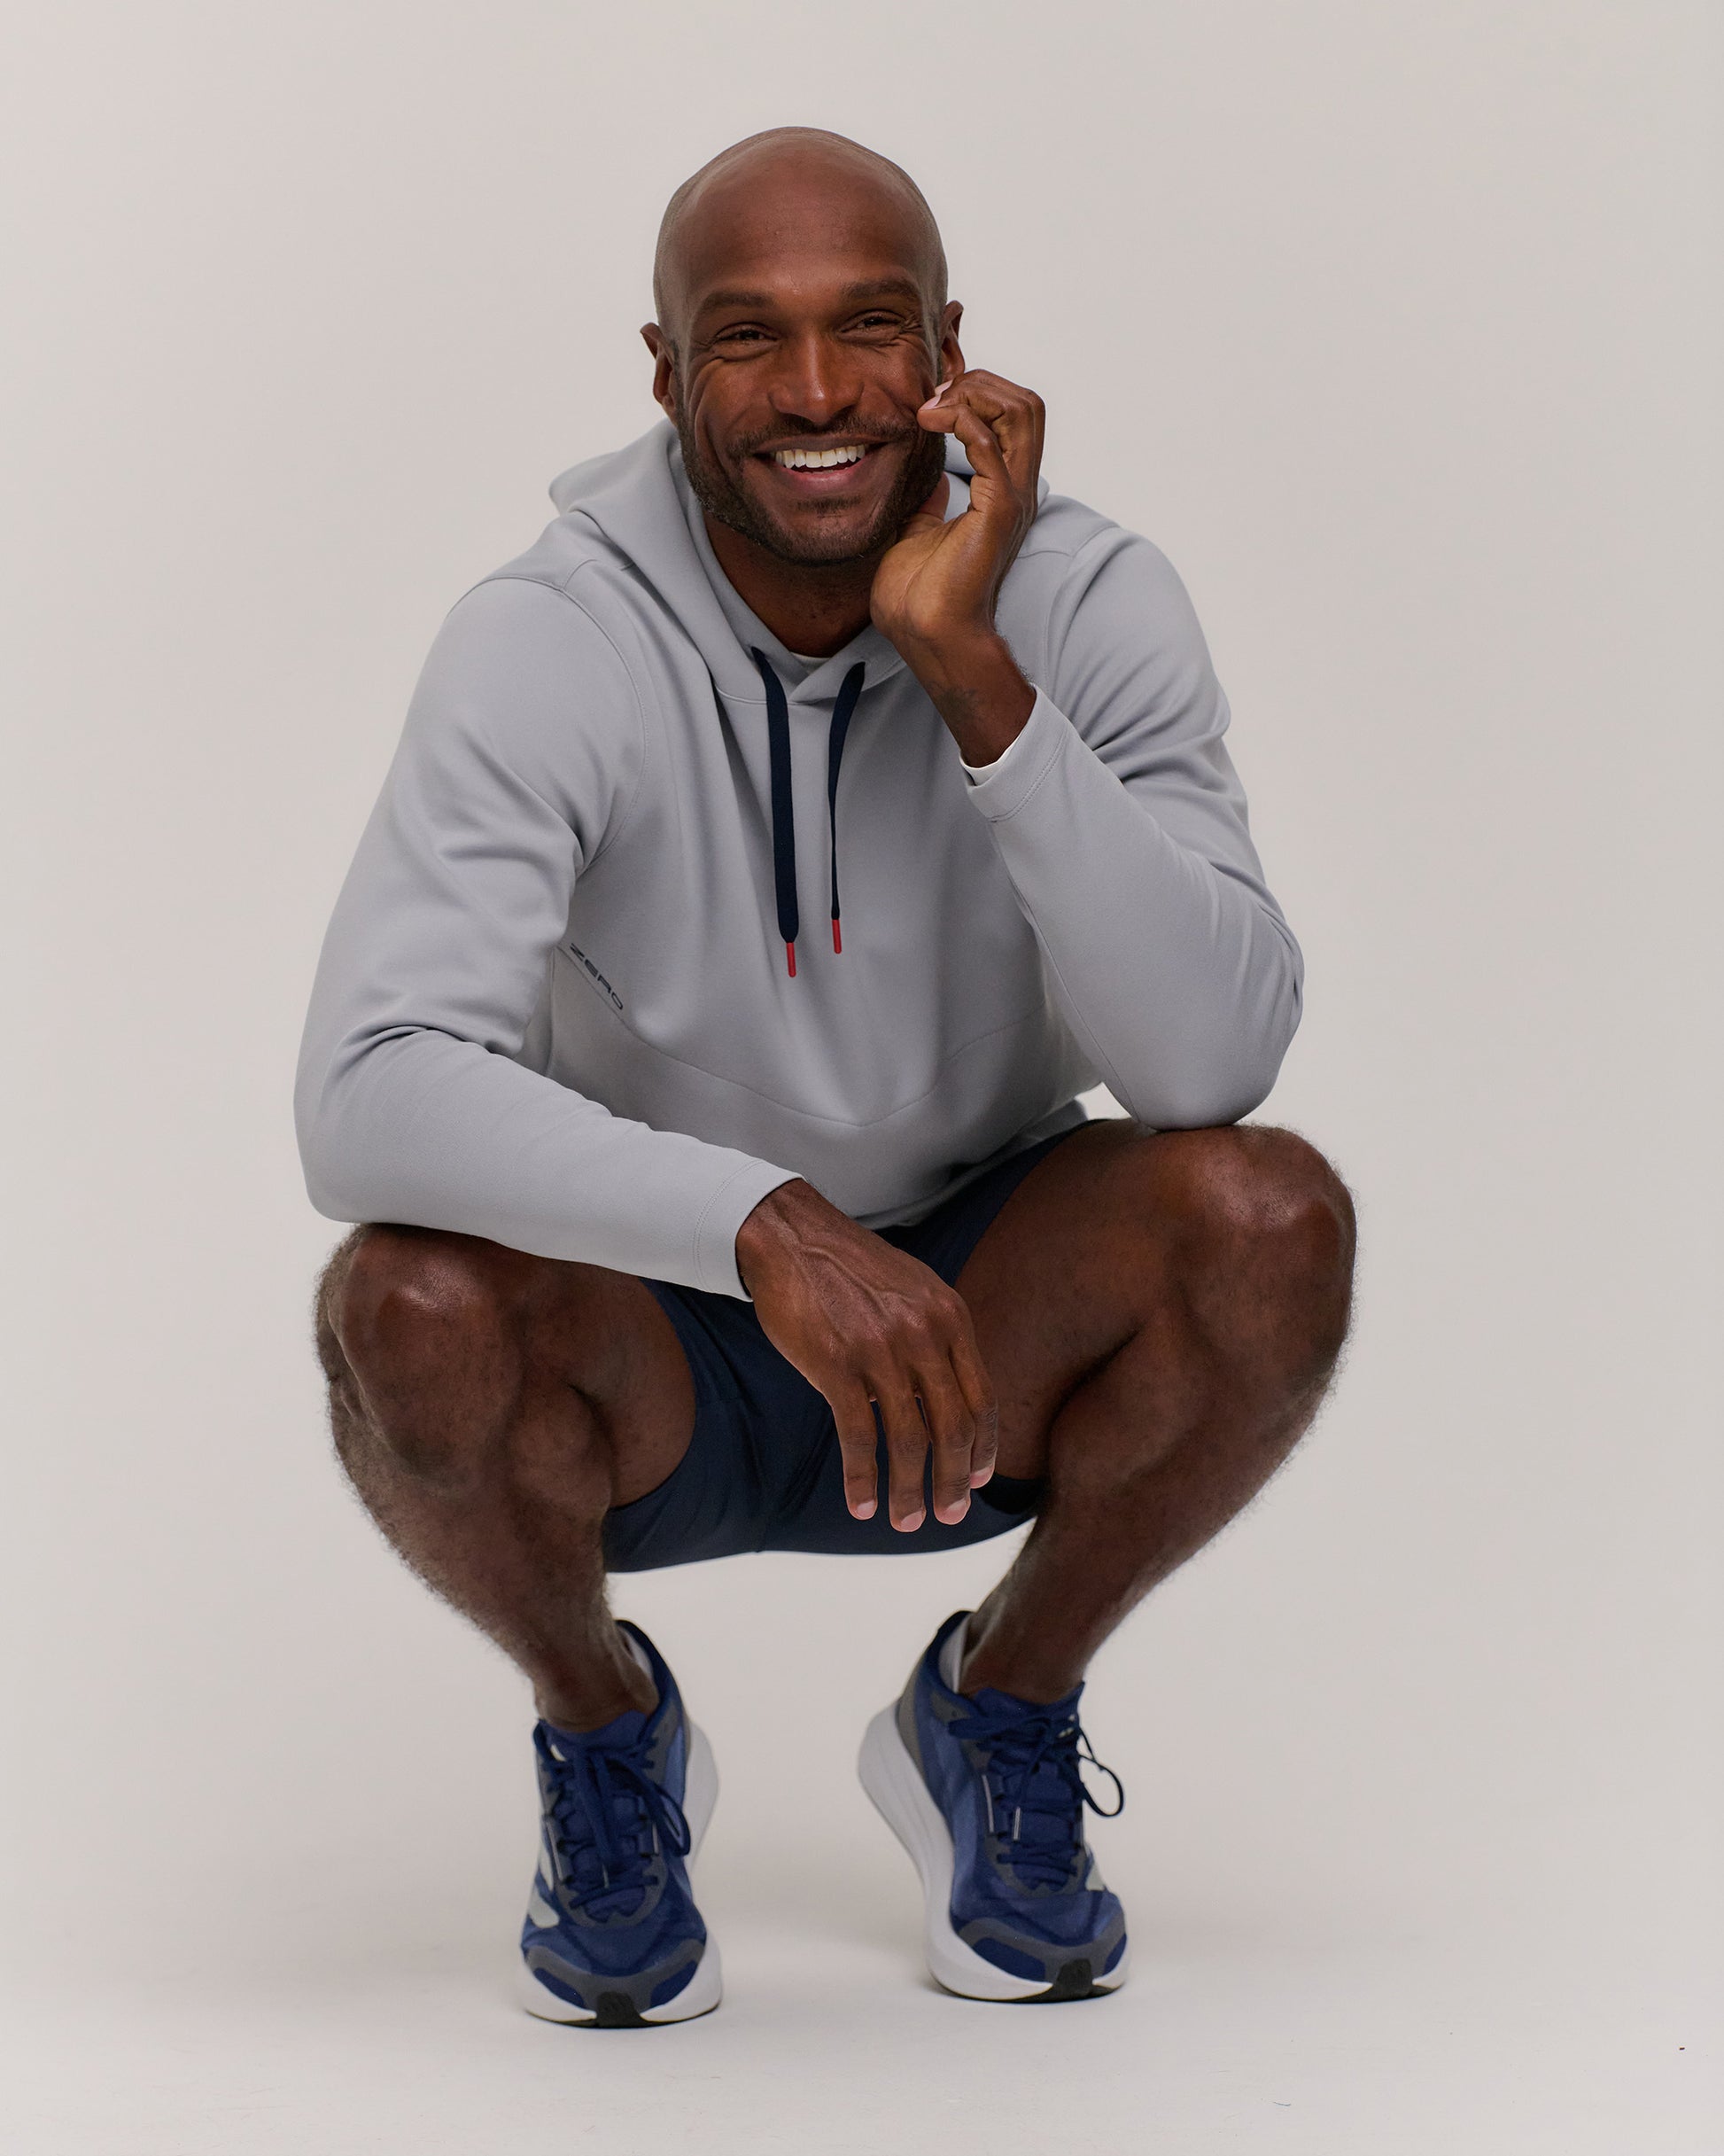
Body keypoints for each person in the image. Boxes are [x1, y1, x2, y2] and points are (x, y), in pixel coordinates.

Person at [298, 126, 1355, 2028]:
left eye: (869, 328)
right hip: (655, 1325)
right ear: (661, 372)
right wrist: (756, 1223)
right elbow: (365, 1088)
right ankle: (604, 1735)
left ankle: (996, 1709)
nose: (813, 393)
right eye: (746, 336)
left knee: (1270, 1220)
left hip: (981, 1314)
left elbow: (1211, 1058)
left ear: (949, 346)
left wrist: (973, 672)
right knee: (406, 1303)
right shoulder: (546, 636)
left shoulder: (1090, 599)